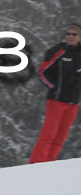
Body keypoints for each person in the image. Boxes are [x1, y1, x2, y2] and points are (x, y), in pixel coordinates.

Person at [28, 23, 81, 163]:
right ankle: (35, 164)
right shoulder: (58, 51)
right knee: (48, 136)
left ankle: (49, 165)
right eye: (68, 34)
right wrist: (55, 86)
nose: (70, 37)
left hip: (73, 102)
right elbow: (41, 72)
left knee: (60, 138)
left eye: (74, 34)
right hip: (56, 100)